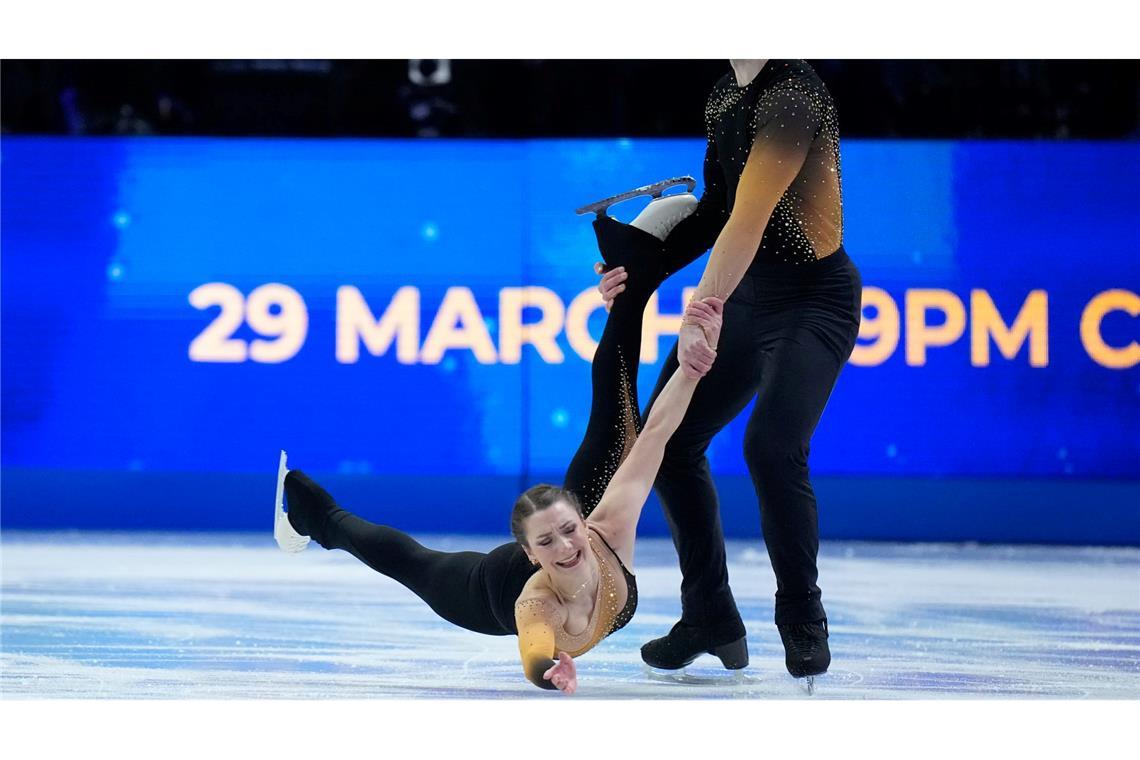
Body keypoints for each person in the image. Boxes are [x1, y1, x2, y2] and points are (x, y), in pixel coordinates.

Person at [276, 219, 725, 694]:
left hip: (576, 509)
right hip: (484, 592)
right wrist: (548, 672)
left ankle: (630, 275)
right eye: (548, 543)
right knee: (411, 561)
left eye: (570, 531)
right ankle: (316, 513)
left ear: (584, 519)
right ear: (530, 554)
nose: (568, 547)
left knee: (622, 434)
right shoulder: (536, 601)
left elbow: (657, 434)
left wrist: (694, 368)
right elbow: (533, 652)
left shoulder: (606, 529)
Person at [595, 59, 862, 684]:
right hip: (746, 297)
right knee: (668, 440)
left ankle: (802, 613)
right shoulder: (724, 96)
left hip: (813, 299)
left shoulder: (795, 95)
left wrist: (701, 306)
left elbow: (752, 216)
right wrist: (636, 273)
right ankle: (709, 612)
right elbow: (718, 207)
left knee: (771, 445)